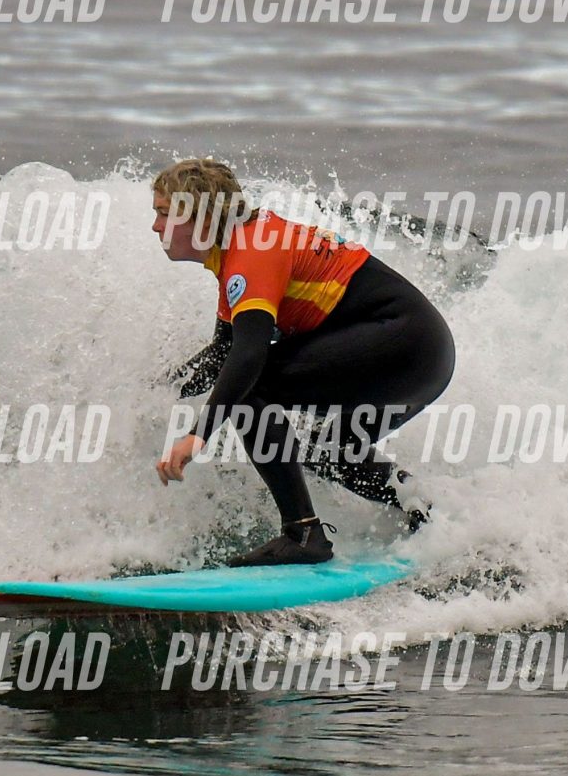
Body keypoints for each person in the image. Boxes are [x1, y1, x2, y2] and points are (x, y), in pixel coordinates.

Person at [150, 159, 457, 565]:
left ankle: (303, 533)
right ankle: (423, 510)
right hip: (425, 354)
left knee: (252, 386)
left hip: (406, 346)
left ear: (203, 219)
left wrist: (197, 436)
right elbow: (223, 353)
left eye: (164, 214)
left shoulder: (251, 254)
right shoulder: (242, 251)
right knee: (331, 451)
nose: (155, 226)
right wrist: (154, 393)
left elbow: (247, 358)